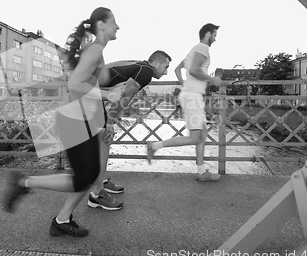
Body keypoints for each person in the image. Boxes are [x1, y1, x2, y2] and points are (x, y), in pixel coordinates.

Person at [2, 7, 122, 237]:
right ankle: (23, 182)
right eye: (114, 22)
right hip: (72, 119)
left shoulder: (97, 51)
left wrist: (104, 118)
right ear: (102, 25)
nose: (118, 26)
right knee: (84, 177)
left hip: (82, 119)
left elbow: (88, 88)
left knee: (89, 175)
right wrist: (110, 95)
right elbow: (75, 85)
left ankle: (61, 220)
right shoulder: (96, 49)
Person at [87, 51, 172, 210]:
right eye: (166, 67)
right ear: (156, 63)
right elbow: (125, 96)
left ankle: (100, 181)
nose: (166, 72)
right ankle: (96, 195)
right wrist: (110, 122)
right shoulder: (146, 72)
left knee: (103, 142)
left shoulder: (141, 65)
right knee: (104, 140)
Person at [146, 23, 222, 182]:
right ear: (208, 34)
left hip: (192, 95)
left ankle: (201, 172)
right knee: (195, 137)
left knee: (202, 134)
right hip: (193, 97)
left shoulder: (192, 51)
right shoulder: (203, 48)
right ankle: (154, 146)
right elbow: (194, 71)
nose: (215, 38)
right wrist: (212, 79)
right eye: (214, 35)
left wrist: (185, 86)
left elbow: (178, 69)